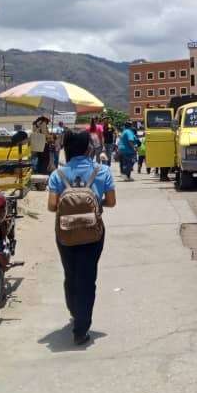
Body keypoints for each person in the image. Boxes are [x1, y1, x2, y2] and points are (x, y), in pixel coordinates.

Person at [46, 130, 116, 345]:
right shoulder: (102, 171)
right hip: (93, 232)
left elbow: (52, 206)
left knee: (71, 274)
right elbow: (111, 202)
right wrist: (93, 203)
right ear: (88, 149)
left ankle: (75, 310)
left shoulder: (58, 174)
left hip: (65, 232)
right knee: (87, 277)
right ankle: (81, 329)